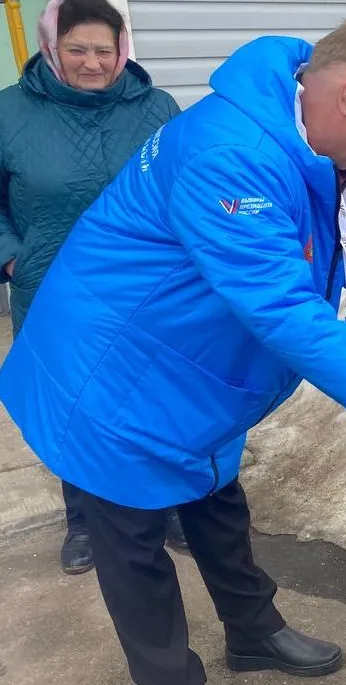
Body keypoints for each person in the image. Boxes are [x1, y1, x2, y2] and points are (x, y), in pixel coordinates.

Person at [0, 19, 346, 685]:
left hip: (186, 367)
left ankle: (254, 632)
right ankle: (167, 675)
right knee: (132, 541)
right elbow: (285, 311)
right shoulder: (231, 155)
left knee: (215, 497)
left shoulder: (324, 156)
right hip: (112, 369)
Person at [0, 0, 188, 575]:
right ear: (52, 48)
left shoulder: (157, 109)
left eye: (104, 50)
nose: (92, 63)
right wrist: (13, 259)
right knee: (74, 408)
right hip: (54, 291)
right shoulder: (10, 111)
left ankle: (168, 503)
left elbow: (188, 188)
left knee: (155, 396)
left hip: (148, 292)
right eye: (77, 48)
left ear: (122, 50)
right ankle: (83, 521)